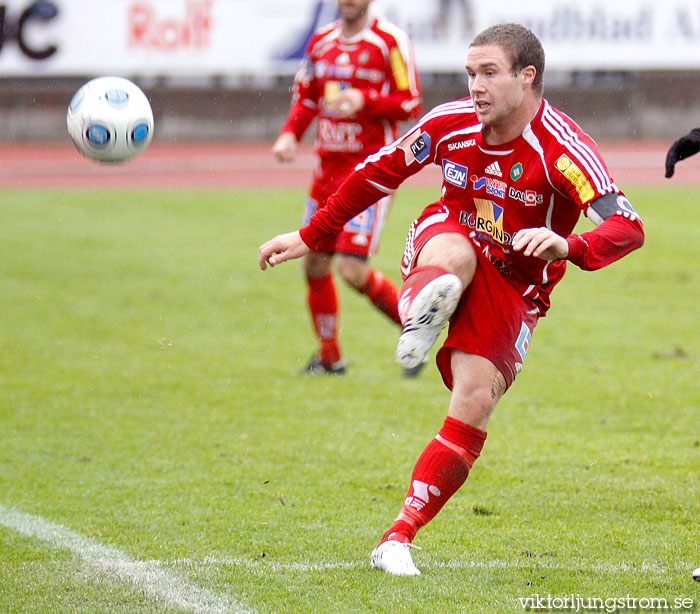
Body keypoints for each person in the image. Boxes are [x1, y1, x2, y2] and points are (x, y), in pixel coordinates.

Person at [259, 23, 645, 576]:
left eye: (489, 73)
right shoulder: (450, 123)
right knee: (456, 253)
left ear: (527, 77)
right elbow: (379, 171)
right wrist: (312, 234)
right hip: (449, 236)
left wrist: (570, 243)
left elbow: (627, 226)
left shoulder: (562, 148)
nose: (476, 86)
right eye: (470, 73)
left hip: (518, 284)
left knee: (476, 399)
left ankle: (397, 537)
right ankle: (421, 311)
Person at [272, 0, 422, 375]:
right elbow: (306, 96)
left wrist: (366, 100)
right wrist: (290, 134)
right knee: (314, 261)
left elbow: (411, 103)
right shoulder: (321, 42)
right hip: (326, 173)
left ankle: (416, 331)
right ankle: (329, 357)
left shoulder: (390, 41)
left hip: (369, 175)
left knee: (351, 269)